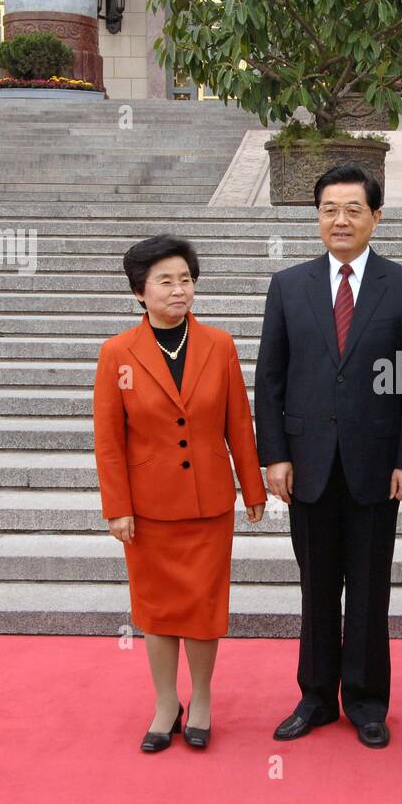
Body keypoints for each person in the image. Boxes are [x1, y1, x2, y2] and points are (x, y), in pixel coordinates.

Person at [254, 165, 402, 749]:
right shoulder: (288, 286)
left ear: (376, 216)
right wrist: (273, 456)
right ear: (317, 217)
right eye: (330, 208)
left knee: (370, 588)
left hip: (377, 468)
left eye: (354, 208)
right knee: (317, 586)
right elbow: (270, 378)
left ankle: (366, 701)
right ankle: (315, 696)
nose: (341, 219)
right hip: (307, 465)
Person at [92, 234, 267, 753]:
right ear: (140, 293)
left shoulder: (219, 345)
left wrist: (251, 486)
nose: (178, 290)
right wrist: (117, 507)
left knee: (203, 606)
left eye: (185, 280)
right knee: (157, 609)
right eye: (165, 281)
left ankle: (204, 699)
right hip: (148, 509)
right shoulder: (117, 353)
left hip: (209, 502)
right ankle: (166, 702)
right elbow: (108, 440)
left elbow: (239, 420)